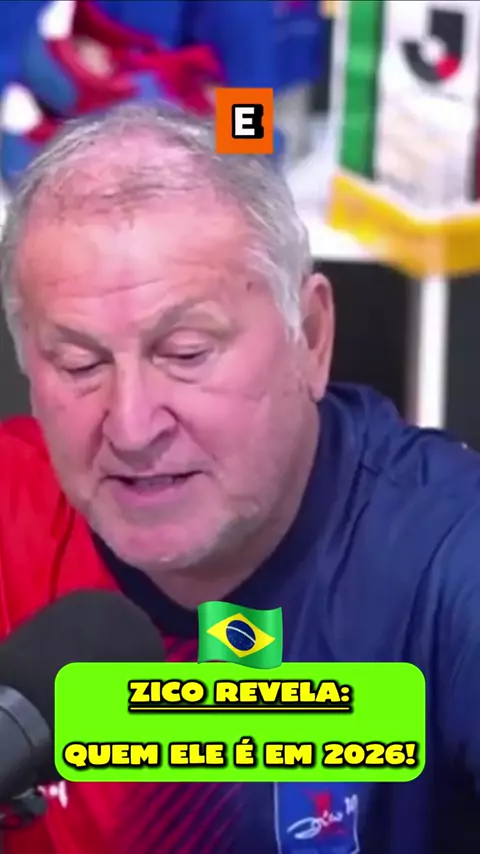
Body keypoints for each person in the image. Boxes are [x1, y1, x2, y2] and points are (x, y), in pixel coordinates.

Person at [0, 101, 479, 854]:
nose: (131, 427)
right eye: (80, 364)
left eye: (186, 353)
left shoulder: (450, 563)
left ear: (310, 337)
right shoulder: (14, 510)